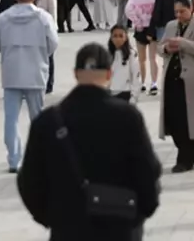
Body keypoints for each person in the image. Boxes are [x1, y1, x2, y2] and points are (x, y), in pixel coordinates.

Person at [18, 43, 162, 241]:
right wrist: (137, 215)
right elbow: (148, 172)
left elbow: (29, 181)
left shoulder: (49, 121)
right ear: (109, 74)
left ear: (76, 74)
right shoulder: (127, 117)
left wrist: (52, 218)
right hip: (119, 227)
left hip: (67, 229)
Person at [0, 0, 60, 173]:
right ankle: (39, 157)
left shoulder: (4, 18)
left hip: (11, 72)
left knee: (11, 119)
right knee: (37, 119)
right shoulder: (43, 17)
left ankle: (14, 159)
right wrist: (40, 53)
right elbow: (53, 43)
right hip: (36, 71)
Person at [159, 0, 194, 173]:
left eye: (182, 11)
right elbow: (160, 47)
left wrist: (183, 43)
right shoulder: (171, 26)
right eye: (176, 12)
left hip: (192, 79)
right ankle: (187, 149)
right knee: (173, 119)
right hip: (172, 76)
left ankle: (185, 158)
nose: (179, 15)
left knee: (188, 120)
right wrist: (166, 48)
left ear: (192, 10)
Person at [125, 0, 161, 95]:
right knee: (153, 58)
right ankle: (154, 83)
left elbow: (128, 9)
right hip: (153, 28)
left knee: (142, 59)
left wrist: (137, 21)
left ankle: (142, 83)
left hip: (140, 28)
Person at [108, 24, 141, 102]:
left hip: (125, 92)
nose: (118, 39)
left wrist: (134, 96)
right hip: (109, 92)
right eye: (115, 36)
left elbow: (136, 75)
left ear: (126, 37)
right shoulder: (106, 54)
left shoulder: (131, 54)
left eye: (121, 36)